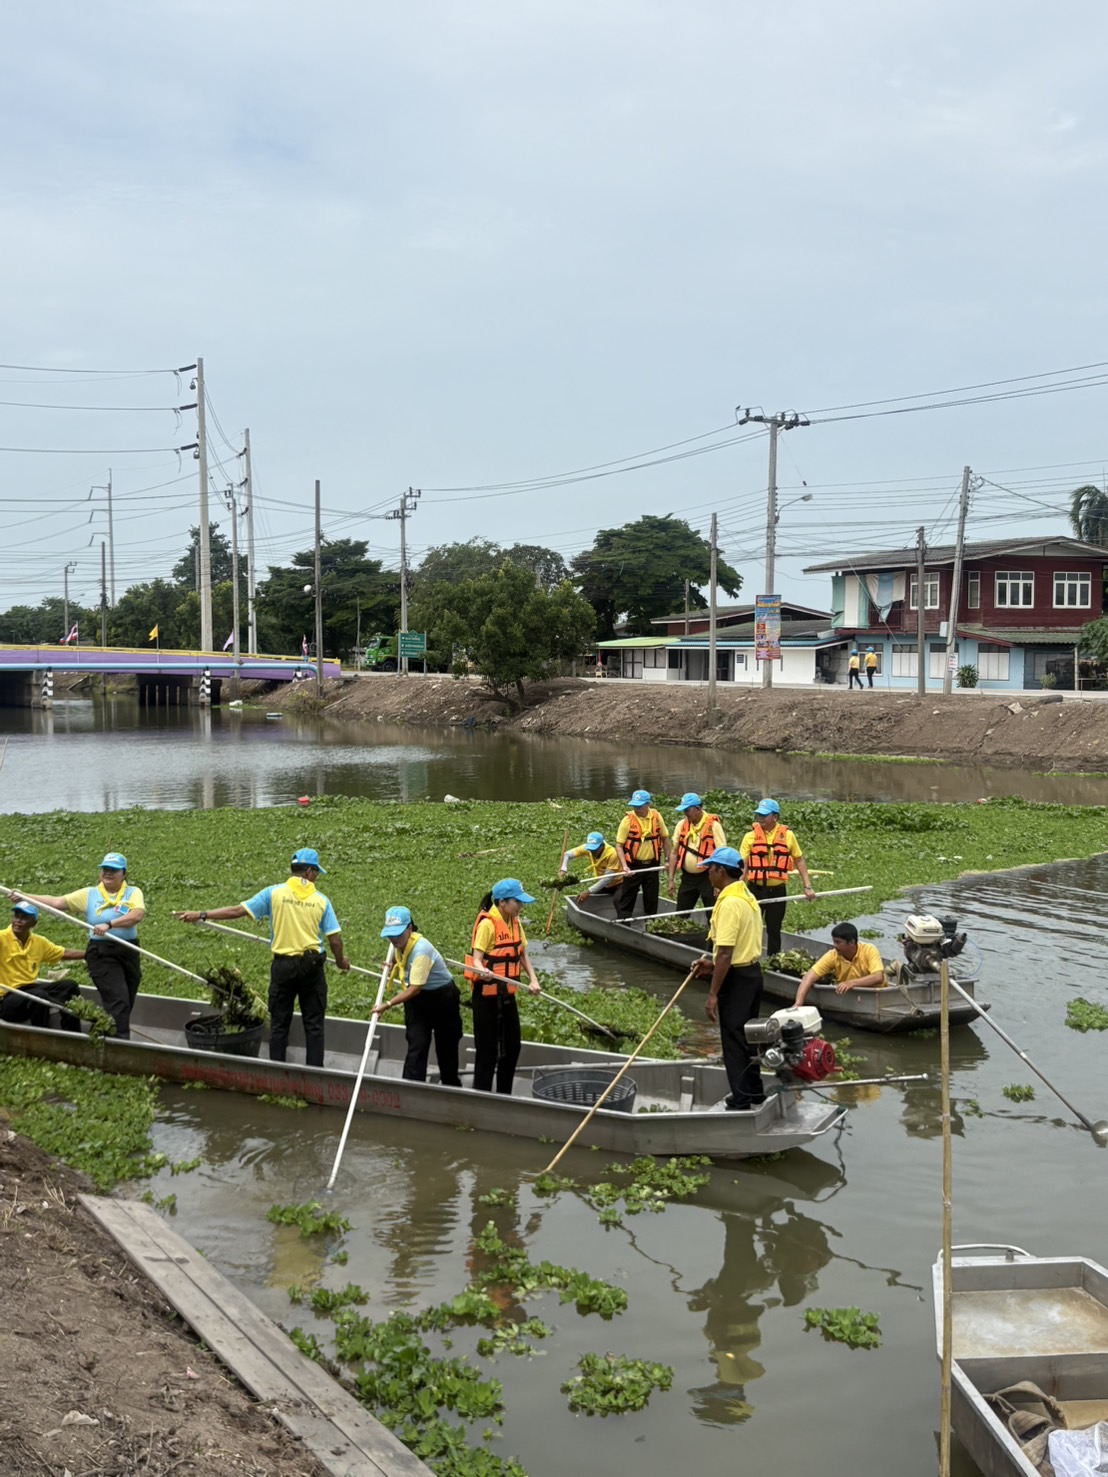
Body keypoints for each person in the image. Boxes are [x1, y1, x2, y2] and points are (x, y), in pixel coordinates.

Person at [175, 848, 349, 1067]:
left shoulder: (273, 893)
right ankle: (315, 1073)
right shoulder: (321, 900)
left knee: (279, 1023)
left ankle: (277, 1072)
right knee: (314, 1025)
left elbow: (237, 911)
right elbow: (335, 941)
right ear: (309, 872)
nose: (316, 877)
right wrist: (341, 961)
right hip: (312, 967)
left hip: (283, 967)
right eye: (316, 872)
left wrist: (202, 914)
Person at [16, 852, 145, 1039]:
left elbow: (137, 915)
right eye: (105, 869)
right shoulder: (90, 894)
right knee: (118, 1000)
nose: (108, 873)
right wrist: (23, 896)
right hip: (102, 953)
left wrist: (110, 925)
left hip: (129, 950)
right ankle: (119, 1046)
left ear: (123, 874)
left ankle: (101, 1033)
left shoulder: (133, 892)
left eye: (114, 870)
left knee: (126, 999)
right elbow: (56, 902)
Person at [691, 847, 765, 1111]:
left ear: (720, 871)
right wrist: (711, 965)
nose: (708, 873)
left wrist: (712, 994)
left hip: (737, 979)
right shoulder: (746, 895)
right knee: (749, 1038)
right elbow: (729, 953)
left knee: (733, 1039)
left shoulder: (731, 903)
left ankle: (741, 1098)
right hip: (752, 974)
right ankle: (755, 1092)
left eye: (710, 868)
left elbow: (725, 952)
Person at [464, 879, 542, 1094]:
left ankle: (504, 1094)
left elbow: (522, 953)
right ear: (502, 903)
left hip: (507, 995)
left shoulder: (515, 921)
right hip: (486, 997)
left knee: (512, 1047)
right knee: (487, 1051)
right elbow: (477, 958)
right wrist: (482, 971)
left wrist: (533, 980)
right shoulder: (487, 924)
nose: (521, 906)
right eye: (517, 902)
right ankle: (481, 1095)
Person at [372, 906, 463, 1085]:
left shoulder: (422, 950)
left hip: (442, 998)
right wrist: (392, 962)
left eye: (398, 934)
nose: (394, 939)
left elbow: (415, 988)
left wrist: (387, 1004)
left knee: (447, 1047)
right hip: (417, 1002)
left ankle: (451, 1086)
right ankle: (411, 1088)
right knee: (417, 1043)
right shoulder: (398, 944)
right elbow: (402, 956)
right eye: (391, 935)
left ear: (410, 929)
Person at [738, 800, 816, 959]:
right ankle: (749, 959)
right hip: (755, 889)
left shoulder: (788, 836)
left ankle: (773, 961)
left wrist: (807, 886)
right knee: (751, 926)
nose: (760, 818)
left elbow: (799, 860)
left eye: (764, 815)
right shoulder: (750, 837)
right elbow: (743, 865)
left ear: (775, 817)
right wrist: (739, 887)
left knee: (774, 928)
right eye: (759, 814)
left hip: (777, 891)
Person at [0, 902, 85, 1032]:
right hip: (6, 998)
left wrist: (89, 954)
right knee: (39, 996)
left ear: (33, 923)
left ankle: (72, 1031)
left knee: (69, 985)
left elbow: (63, 953)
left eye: (24, 918)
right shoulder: (2, 938)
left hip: (29, 989)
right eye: (16, 916)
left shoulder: (38, 942)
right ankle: (42, 1034)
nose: (18, 921)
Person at [793, 921, 887, 1008]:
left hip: (878, 996)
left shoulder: (869, 950)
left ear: (851, 942)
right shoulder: (833, 955)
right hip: (852, 998)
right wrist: (798, 1003)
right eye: (834, 941)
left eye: (838, 942)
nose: (835, 945)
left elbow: (878, 977)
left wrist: (851, 983)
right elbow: (809, 977)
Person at [667, 793, 727, 916]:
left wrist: (719, 884)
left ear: (698, 809)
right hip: (688, 877)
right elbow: (674, 853)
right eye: (684, 810)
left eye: (687, 810)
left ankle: (713, 934)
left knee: (712, 913)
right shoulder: (681, 825)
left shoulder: (714, 826)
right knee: (681, 913)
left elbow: (722, 855)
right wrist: (671, 879)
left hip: (708, 877)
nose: (685, 813)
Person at [614, 789, 670, 922]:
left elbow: (665, 839)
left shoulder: (656, 817)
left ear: (648, 804)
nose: (636, 809)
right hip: (633, 866)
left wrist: (667, 860)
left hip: (652, 865)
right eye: (634, 806)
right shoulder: (627, 821)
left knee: (651, 898)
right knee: (628, 897)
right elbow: (619, 845)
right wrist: (624, 866)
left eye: (639, 806)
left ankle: (651, 925)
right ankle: (623, 923)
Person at [561, 831, 625, 904]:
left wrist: (588, 891)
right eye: (591, 849)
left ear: (602, 845)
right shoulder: (589, 849)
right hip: (604, 884)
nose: (592, 852)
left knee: (618, 901)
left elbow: (607, 878)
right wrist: (563, 869)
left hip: (619, 883)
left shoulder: (612, 854)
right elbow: (567, 854)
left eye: (595, 849)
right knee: (588, 901)